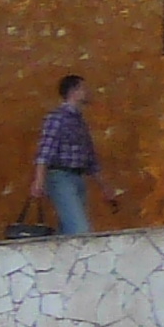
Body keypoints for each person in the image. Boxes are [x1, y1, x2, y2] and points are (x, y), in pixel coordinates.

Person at [35, 75, 110, 236]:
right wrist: (39, 180)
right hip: (60, 177)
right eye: (83, 88)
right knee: (80, 230)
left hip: (77, 178)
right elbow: (45, 151)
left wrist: (104, 186)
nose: (87, 92)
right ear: (73, 91)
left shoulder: (80, 121)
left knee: (68, 230)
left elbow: (90, 158)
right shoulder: (57, 118)